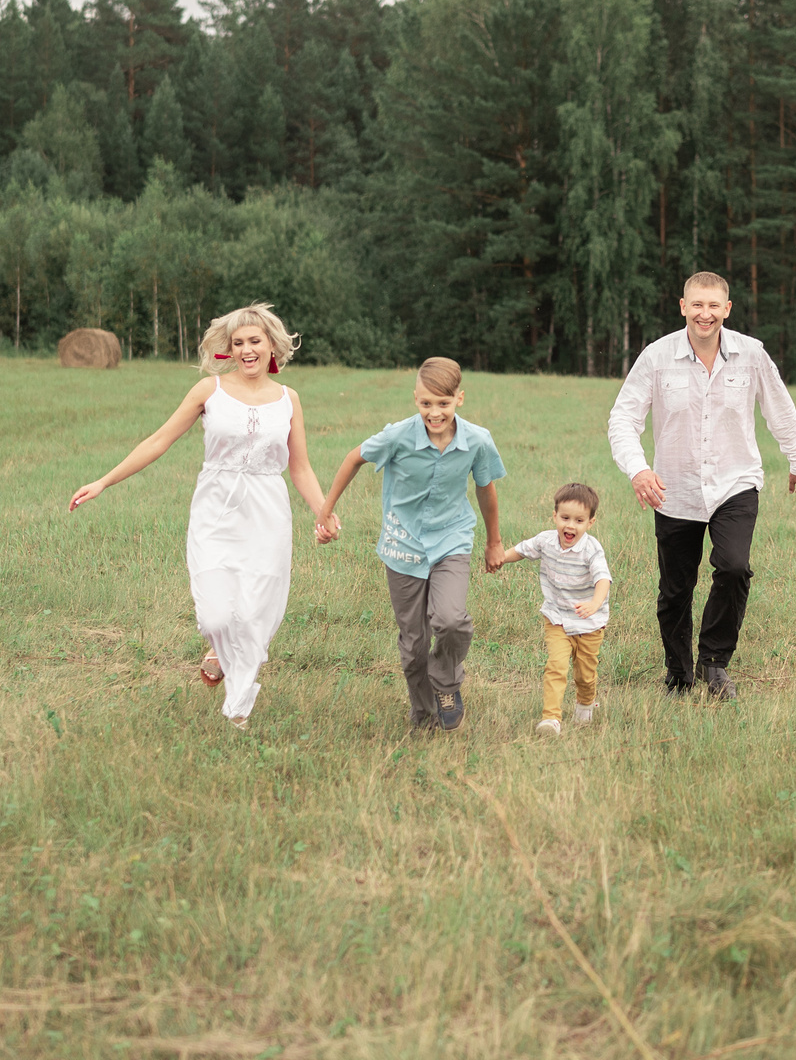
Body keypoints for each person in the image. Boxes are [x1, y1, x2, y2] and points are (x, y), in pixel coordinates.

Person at [67, 304, 338, 730]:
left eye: (254, 341)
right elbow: (158, 441)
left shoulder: (289, 400)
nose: (247, 349)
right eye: (238, 343)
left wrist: (323, 513)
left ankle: (239, 707)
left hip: (268, 511)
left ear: (271, 345)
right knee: (215, 614)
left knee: (253, 613)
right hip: (216, 508)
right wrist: (104, 482)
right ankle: (218, 646)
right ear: (228, 350)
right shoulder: (208, 391)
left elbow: (299, 467)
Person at [606, 272, 796, 700]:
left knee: (734, 567)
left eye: (714, 306)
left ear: (727, 309)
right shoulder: (656, 356)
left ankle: (715, 665)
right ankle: (678, 675)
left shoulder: (751, 354)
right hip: (673, 487)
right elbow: (623, 419)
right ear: (683, 307)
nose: (706, 314)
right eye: (697, 305)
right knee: (675, 589)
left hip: (735, 482)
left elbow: (781, 410)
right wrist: (638, 470)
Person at [321, 358, 506, 733]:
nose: (434, 413)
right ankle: (423, 714)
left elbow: (486, 489)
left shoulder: (478, 440)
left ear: (460, 398)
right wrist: (326, 511)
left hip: (452, 539)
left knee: (451, 619)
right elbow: (354, 458)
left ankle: (447, 683)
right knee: (414, 641)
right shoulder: (398, 436)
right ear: (415, 399)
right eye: (425, 404)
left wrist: (494, 542)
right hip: (402, 545)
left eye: (443, 403)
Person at [491, 481, 613, 737]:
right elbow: (522, 550)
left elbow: (603, 579)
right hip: (557, 618)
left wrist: (594, 603)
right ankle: (551, 718)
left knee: (585, 674)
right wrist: (501, 559)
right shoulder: (546, 541)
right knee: (556, 666)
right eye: (565, 517)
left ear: (590, 523)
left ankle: (585, 703)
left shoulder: (592, 549)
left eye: (579, 520)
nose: (570, 525)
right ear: (554, 516)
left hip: (589, 623)